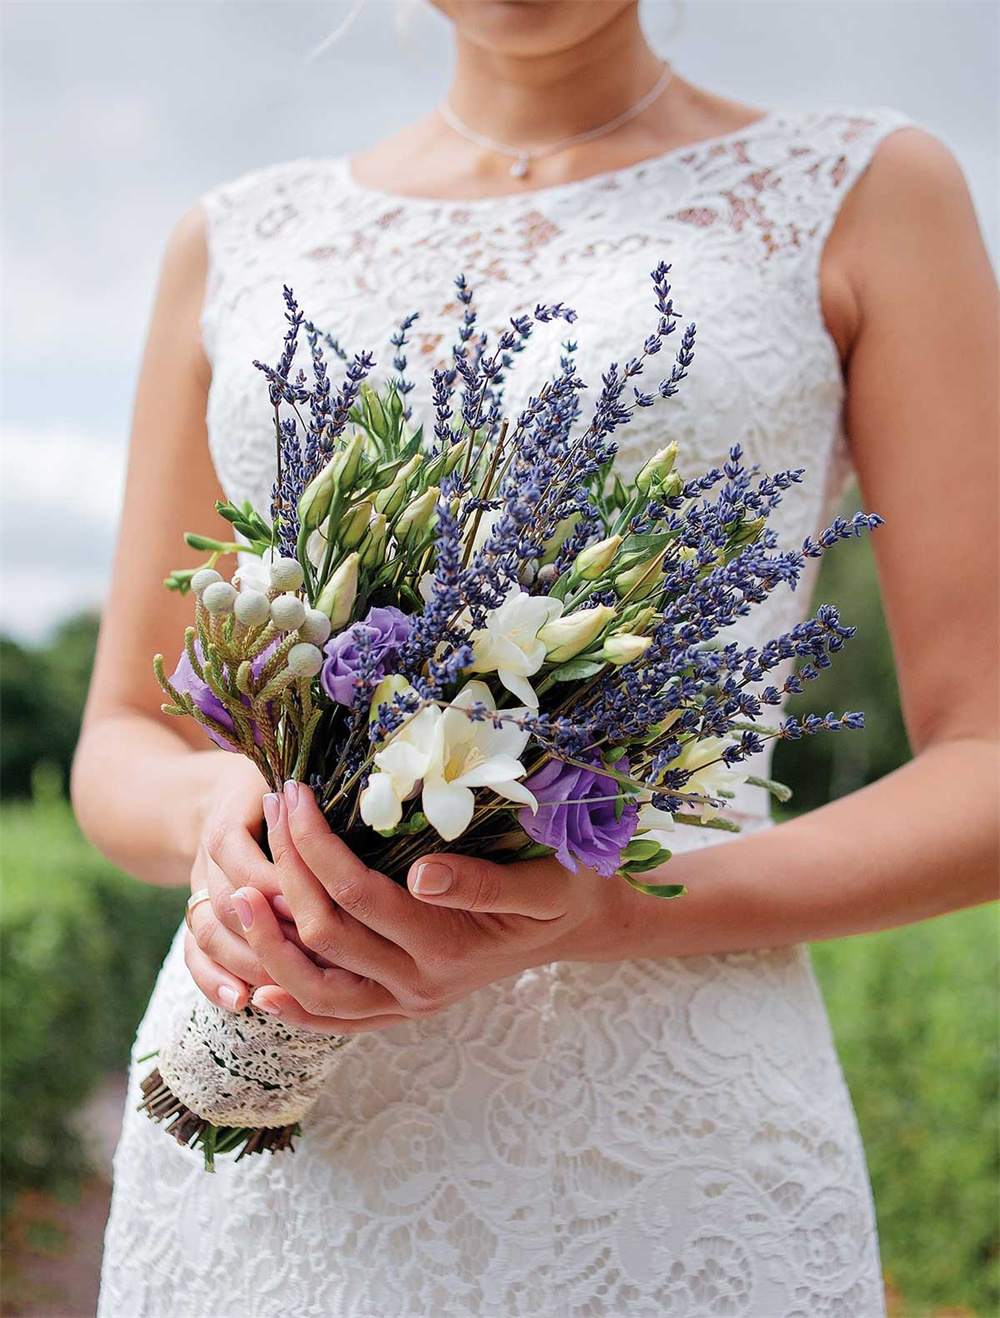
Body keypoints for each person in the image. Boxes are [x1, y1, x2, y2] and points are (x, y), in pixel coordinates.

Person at [73, 1, 998, 1314]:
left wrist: (612, 903)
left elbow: (989, 761)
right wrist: (223, 814)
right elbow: (125, 730)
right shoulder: (234, 238)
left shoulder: (866, 191)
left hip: (664, 1141)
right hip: (285, 1116)